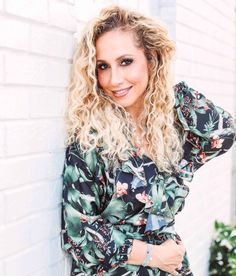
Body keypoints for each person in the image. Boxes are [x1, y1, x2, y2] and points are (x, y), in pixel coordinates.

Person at [61, 5, 236, 276]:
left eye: (126, 61)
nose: (114, 79)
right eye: (103, 67)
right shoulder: (91, 139)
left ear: (151, 58)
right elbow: (77, 234)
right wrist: (153, 255)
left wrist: (170, 90)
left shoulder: (170, 131)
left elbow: (222, 133)